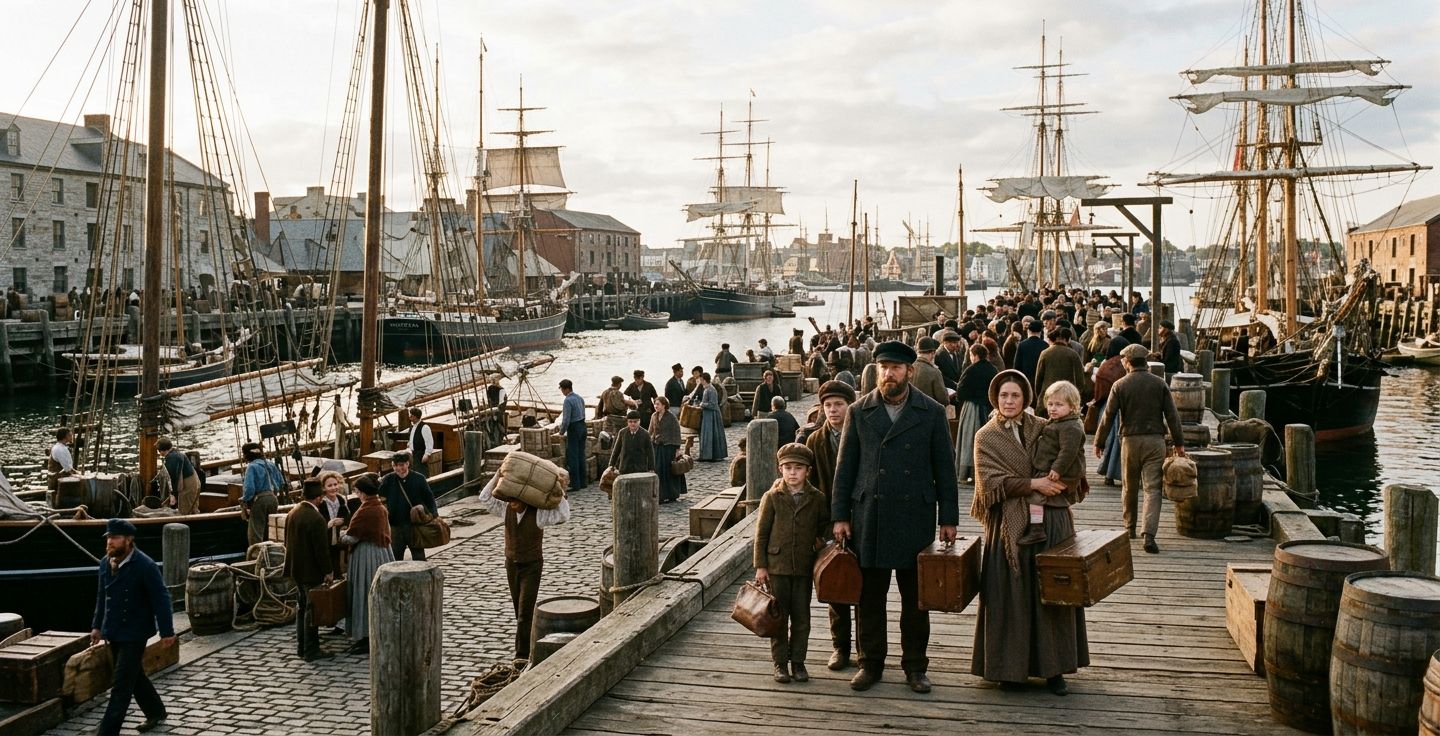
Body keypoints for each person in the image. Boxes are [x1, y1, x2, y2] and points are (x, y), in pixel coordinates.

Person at [832, 340, 959, 694]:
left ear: (909, 372)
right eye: (883, 368)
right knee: (869, 598)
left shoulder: (931, 411)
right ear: (876, 371)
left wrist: (949, 518)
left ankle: (915, 667)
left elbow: (945, 470)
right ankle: (869, 664)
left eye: (896, 368)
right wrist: (840, 515)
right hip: (869, 515)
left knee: (915, 600)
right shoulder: (859, 411)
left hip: (914, 516)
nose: (889, 374)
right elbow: (845, 469)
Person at [970, 370, 1088, 695]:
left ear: (1026, 399)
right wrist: (1035, 483)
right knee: (1009, 595)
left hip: (1050, 519)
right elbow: (989, 483)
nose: (1009, 401)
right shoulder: (986, 436)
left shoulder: (1044, 426)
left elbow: (1073, 454)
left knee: (1054, 591)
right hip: (1008, 524)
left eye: (1016, 396)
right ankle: (1009, 669)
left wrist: (1064, 480)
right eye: (1004, 395)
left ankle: (1055, 669)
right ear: (996, 398)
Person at [1094, 343, 1186, 554]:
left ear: (1127, 362)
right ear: (1145, 361)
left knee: (1129, 487)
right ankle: (1149, 534)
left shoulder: (1120, 385)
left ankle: (1130, 528)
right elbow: (1172, 415)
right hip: (1155, 441)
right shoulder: (1159, 383)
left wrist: (1099, 442)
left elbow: (1108, 416)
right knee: (1153, 489)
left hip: (1130, 441)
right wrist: (1179, 443)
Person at [92, 518, 175, 736]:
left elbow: (161, 598)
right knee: (133, 675)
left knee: (121, 685)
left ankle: (107, 732)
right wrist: (97, 627)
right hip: (113, 630)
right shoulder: (104, 563)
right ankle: (155, 710)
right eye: (108, 537)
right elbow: (103, 597)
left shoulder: (145, 565)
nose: (110, 542)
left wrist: (167, 631)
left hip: (135, 631)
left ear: (128, 540)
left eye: (115, 538)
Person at [754, 443, 829, 684]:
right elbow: (761, 533)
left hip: (804, 568)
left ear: (808, 471)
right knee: (778, 617)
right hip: (777, 568)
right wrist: (761, 565)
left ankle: (798, 662)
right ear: (780, 470)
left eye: (798, 468)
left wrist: (820, 542)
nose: (793, 473)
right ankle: (780, 663)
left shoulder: (817, 498)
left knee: (801, 617)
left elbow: (823, 527)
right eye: (787, 468)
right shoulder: (772, 498)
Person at [803, 379, 858, 670]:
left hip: (861, 519)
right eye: (828, 406)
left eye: (839, 405)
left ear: (850, 407)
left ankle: (866, 650)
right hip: (828, 524)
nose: (833, 410)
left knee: (864, 587)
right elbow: (810, 487)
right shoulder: (815, 441)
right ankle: (841, 647)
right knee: (836, 585)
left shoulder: (861, 434)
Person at [1019, 381, 1087, 546]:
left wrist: (1057, 469)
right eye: (1050, 404)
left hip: (1062, 470)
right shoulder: (1058, 422)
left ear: (1072, 407)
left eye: (1059, 405)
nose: (1052, 408)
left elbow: (1068, 452)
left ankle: (1036, 528)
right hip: (1049, 466)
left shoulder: (1071, 427)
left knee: (1035, 496)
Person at [342, 473, 392, 655]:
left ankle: (365, 634)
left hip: (366, 555)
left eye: (356, 491)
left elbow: (352, 537)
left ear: (362, 492)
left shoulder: (366, 510)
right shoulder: (379, 506)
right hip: (381, 552)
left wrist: (341, 535)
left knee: (363, 592)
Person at [284, 479, 334, 661]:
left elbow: (286, 542)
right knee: (310, 610)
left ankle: (301, 646)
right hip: (310, 571)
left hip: (295, 569)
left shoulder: (293, 513)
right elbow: (321, 550)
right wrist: (328, 571)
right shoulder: (317, 518)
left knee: (301, 607)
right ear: (319, 498)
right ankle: (311, 649)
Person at [379, 451, 437, 561]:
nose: (398, 468)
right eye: (395, 465)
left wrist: (433, 515)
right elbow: (379, 496)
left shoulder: (419, 478)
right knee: (396, 558)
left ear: (407, 464)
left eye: (401, 465)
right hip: (395, 525)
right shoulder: (388, 479)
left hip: (414, 524)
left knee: (419, 556)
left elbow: (429, 498)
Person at [954, 343, 999, 482]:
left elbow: (960, 392)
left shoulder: (970, 370)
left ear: (975, 355)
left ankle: (966, 472)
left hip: (972, 408)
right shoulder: (993, 369)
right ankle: (982, 472)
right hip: (988, 409)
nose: (970, 358)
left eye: (971, 356)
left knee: (968, 439)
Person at [1093, 336, 1131, 485]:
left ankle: (1108, 474)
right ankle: (1123, 474)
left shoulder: (1105, 366)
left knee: (1109, 443)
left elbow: (1099, 392)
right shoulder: (1127, 365)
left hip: (1107, 407)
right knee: (1121, 444)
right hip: (1124, 408)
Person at [1033, 328, 1086, 417]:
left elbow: (1038, 379)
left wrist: (1040, 397)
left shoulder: (1045, 353)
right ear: (1067, 339)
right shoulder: (1073, 354)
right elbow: (1080, 381)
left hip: (1047, 399)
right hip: (1066, 401)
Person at [241, 442, 283, 546]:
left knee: (255, 533)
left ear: (247, 455)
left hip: (260, 500)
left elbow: (250, 489)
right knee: (271, 530)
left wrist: (245, 500)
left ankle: (256, 556)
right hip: (273, 499)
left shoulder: (252, 467)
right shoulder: (270, 464)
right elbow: (281, 481)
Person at [314, 470, 352, 580]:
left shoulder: (341, 499)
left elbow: (348, 517)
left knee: (337, 564)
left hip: (338, 539)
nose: (333, 488)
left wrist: (343, 521)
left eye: (335, 484)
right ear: (323, 488)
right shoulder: (321, 503)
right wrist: (327, 524)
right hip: (326, 538)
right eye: (329, 485)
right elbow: (317, 522)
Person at [650, 396, 688, 503]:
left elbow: (676, 433)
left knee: (669, 471)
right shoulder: (654, 416)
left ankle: (672, 494)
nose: (656, 406)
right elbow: (651, 431)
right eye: (655, 404)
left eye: (658, 404)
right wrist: (649, 443)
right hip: (658, 447)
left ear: (664, 405)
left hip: (669, 448)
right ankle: (660, 495)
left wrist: (677, 449)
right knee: (658, 470)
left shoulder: (671, 417)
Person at [557, 379, 587, 491]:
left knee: (573, 456)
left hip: (574, 428)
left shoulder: (568, 400)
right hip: (582, 426)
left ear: (566, 389)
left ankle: (575, 484)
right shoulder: (579, 398)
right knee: (581, 454)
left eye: (562, 389)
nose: (562, 392)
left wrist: (561, 432)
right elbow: (583, 413)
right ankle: (583, 482)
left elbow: (566, 420)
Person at [156, 438, 200, 515]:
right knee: (193, 508)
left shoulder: (171, 458)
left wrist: (173, 495)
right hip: (195, 481)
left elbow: (174, 478)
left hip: (188, 486)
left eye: (159, 450)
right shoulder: (176, 453)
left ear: (161, 451)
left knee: (184, 511)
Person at [608, 409, 655, 477]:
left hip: (640, 469)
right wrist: (611, 465)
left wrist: (651, 468)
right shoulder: (622, 433)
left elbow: (650, 452)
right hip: (625, 468)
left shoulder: (645, 434)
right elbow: (616, 450)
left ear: (639, 421)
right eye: (630, 422)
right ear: (627, 422)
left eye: (635, 422)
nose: (633, 424)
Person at [692, 373, 727, 462]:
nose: (700, 381)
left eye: (701, 380)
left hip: (711, 415)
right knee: (708, 435)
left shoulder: (710, 390)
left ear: (704, 380)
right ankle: (708, 455)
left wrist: (702, 404)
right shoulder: (707, 389)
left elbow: (713, 404)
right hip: (708, 414)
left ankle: (710, 455)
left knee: (710, 435)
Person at [911, 337, 950, 406]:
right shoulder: (934, 372)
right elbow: (944, 400)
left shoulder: (908, 368)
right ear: (932, 353)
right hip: (927, 412)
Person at [1014, 320, 1047, 386]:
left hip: (1025, 380)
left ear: (1028, 331)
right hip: (1040, 381)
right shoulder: (1045, 345)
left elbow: (1017, 365)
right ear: (1040, 332)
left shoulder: (1022, 345)